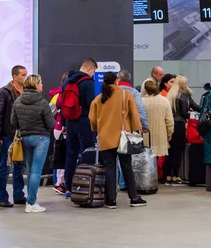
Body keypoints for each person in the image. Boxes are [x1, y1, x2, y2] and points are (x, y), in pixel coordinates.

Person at [89, 72, 147, 209]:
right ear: (116, 81)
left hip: (105, 138)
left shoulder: (98, 99)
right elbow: (134, 115)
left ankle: (111, 200)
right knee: (127, 167)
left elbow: (92, 119)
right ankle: (134, 198)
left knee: (109, 167)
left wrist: (96, 127)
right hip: (123, 138)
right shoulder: (126, 95)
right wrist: (136, 129)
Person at [10, 74, 55, 213]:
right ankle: (31, 203)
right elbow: (51, 124)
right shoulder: (43, 103)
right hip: (41, 139)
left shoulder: (17, 101)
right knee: (36, 171)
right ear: (36, 85)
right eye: (40, 83)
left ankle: (30, 201)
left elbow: (13, 122)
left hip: (25, 138)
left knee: (31, 171)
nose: (42, 85)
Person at [63, 58, 98, 199]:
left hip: (70, 121)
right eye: (94, 71)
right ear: (89, 69)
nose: (94, 75)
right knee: (87, 154)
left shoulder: (67, 81)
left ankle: (68, 188)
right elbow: (91, 105)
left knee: (70, 154)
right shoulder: (88, 83)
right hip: (84, 122)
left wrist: (65, 124)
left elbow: (64, 103)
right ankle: (84, 185)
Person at [0, 65, 27, 208]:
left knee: (20, 166)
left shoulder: (26, 92)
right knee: (4, 167)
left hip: (22, 135)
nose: (25, 77)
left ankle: (18, 195)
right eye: (23, 75)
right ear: (15, 77)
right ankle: (2, 197)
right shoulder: (3, 92)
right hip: (7, 135)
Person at [116, 70, 149, 191]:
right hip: (127, 128)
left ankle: (112, 184)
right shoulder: (134, 92)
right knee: (125, 155)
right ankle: (124, 183)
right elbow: (140, 109)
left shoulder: (112, 91)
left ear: (118, 79)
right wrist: (144, 126)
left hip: (111, 128)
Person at [165, 75, 201, 185]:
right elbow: (186, 112)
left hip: (169, 125)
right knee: (177, 152)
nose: (187, 85)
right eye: (185, 83)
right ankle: (175, 177)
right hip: (179, 125)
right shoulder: (184, 95)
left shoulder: (170, 95)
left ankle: (168, 177)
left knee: (169, 152)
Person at [142, 80, 174, 157]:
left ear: (145, 89)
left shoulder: (141, 102)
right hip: (161, 137)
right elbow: (169, 121)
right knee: (159, 161)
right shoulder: (164, 101)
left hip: (145, 137)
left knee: (146, 163)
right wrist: (169, 134)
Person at [49, 73, 68, 195]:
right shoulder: (66, 94)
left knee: (60, 155)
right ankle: (60, 183)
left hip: (57, 127)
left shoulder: (56, 95)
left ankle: (59, 182)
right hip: (63, 128)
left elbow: (50, 111)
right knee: (63, 157)